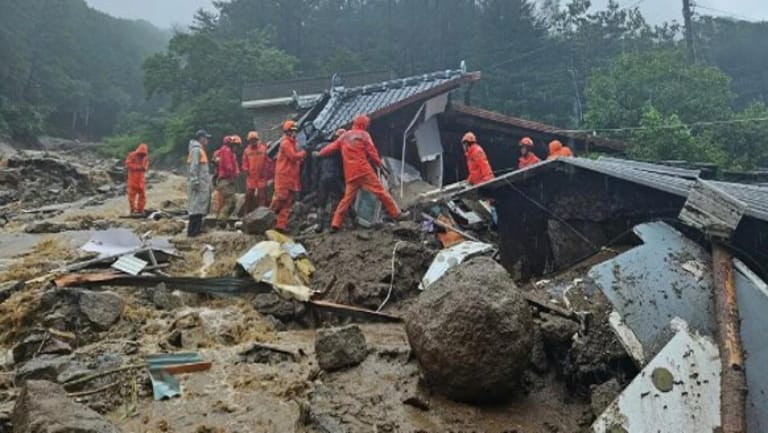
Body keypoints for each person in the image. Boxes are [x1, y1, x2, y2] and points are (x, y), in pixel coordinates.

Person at [316, 115, 406, 232]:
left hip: (351, 174)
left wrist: (319, 153)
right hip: (364, 171)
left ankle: (335, 223)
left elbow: (330, 148)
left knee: (346, 200)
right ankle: (397, 214)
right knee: (380, 192)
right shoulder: (364, 135)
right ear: (364, 124)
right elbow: (372, 152)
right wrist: (380, 165)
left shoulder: (344, 137)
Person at [270, 120, 307, 232]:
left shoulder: (293, 143)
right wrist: (304, 152)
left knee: (287, 203)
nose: (294, 133)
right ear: (287, 131)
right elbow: (293, 157)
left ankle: (280, 226)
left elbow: (296, 160)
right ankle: (267, 219)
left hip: (291, 177)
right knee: (280, 199)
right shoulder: (285, 143)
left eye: (295, 131)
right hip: (284, 177)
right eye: (292, 131)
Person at [313, 128, 347, 232]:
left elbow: (316, 167)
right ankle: (342, 222)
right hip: (335, 177)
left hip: (323, 178)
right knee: (344, 198)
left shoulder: (323, 148)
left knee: (322, 202)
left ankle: (319, 225)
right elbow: (343, 167)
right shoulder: (341, 149)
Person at [187, 129, 212, 237]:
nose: (207, 140)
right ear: (201, 138)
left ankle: (197, 229)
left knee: (199, 206)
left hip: (202, 182)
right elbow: (194, 167)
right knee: (196, 207)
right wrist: (195, 181)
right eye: (206, 138)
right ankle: (192, 231)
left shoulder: (199, 150)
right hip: (199, 183)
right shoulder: (196, 150)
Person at [242, 130, 272, 214]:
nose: (253, 142)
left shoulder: (263, 148)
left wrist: (268, 171)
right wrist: (246, 169)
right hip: (251, 176)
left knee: (262, 195)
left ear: (257, 140)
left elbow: (268, 160)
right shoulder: (246, 151)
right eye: (251, 140)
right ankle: (246, 212)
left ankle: (261, 213)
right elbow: (244, 162)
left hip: (261, 176)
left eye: (254, 140)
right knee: (248, 195)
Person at [216, 134, 240, 225]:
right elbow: (228, 166)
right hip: (226, 180)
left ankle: (222, 221)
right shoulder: (226, 151)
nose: (237, 148)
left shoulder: (225, 151)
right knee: (230, 202)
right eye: (236, 146)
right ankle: (221, 222)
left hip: (225, 180)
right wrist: (231, 177)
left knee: (232, 202)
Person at [125, 143, 149, 215]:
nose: (141, 155)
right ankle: (133, 210)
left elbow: (146, 166)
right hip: (132, 180)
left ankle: (140, 210)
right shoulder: (132, 155)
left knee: (143, 196)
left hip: (141, 180)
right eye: (140, 153)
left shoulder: (145, 157)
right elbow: (128, 164)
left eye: (143, 154)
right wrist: (137, 167)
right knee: (131, 196)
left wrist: (144, 168)